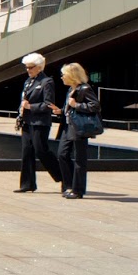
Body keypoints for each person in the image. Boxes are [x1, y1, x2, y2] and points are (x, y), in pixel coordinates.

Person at [15, 52, 63, 193]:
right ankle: (27, 184)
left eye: (31, 67)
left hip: (40, 122)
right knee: (26, 152)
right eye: (27, 67)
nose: (28, 70)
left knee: (41, 150)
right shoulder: (28, 82)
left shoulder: (46, 82)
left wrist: (31, 107)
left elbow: (48, 104)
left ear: (39, 67)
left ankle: (63, 176)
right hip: (27, 122)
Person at [58, 62, 97, 200]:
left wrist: (77, 105)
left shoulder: (85, 89)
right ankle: (68, 185)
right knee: (62, 154)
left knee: (80, 158)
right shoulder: (70, 89)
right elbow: (68, 109)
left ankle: (78, 190)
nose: (62, 77)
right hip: (68, 127)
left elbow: (95, 106)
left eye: (64, 75)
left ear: (71, 76)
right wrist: (61, 111)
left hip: (79, 127)